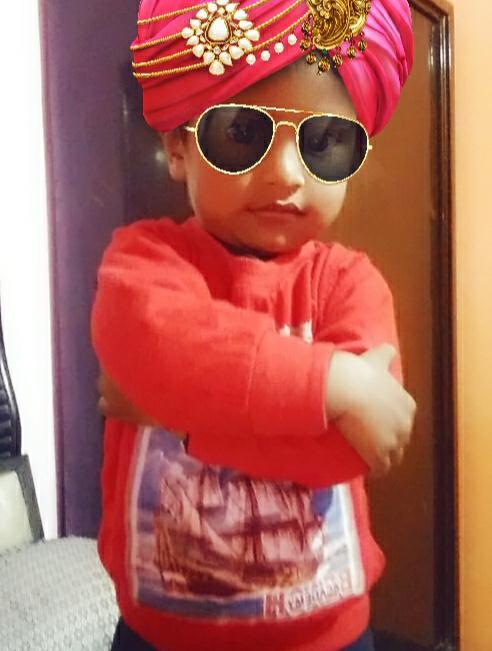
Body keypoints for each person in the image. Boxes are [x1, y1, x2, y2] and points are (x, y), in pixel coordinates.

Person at [92, 1, 416, 650]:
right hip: (160, 636)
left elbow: (357, 446)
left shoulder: (350, 283)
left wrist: (180, 419)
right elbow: (159, 349)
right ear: (178, 147)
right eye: (243, 132)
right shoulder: (143, 262)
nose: (287, 174)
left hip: (329, 634)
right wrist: (332, 383)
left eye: (324, 142)